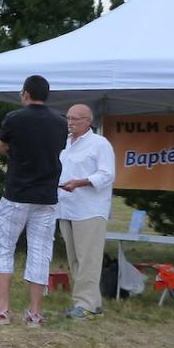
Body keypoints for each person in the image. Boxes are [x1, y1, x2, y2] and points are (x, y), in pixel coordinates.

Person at [0, 75, 68, 327]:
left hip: (17, 194)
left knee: (4, 246)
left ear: (26, 94)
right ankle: (34, 312)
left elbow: (0, 146)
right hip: (47, 197)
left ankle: (3, 308)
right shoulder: (60, 123)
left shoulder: (14, 118)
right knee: (40, 251)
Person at [57, 104, 116, 319]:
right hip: (66, 207)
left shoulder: (99, 144)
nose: (70, 122)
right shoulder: (65, 144)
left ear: (88, 121)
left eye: (75, 119)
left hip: (90, 209)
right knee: (74, 258)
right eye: (68, 118)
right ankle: (90, 302)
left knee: (88, 258)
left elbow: (107, 174)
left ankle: (86, 305)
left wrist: (81, 182)